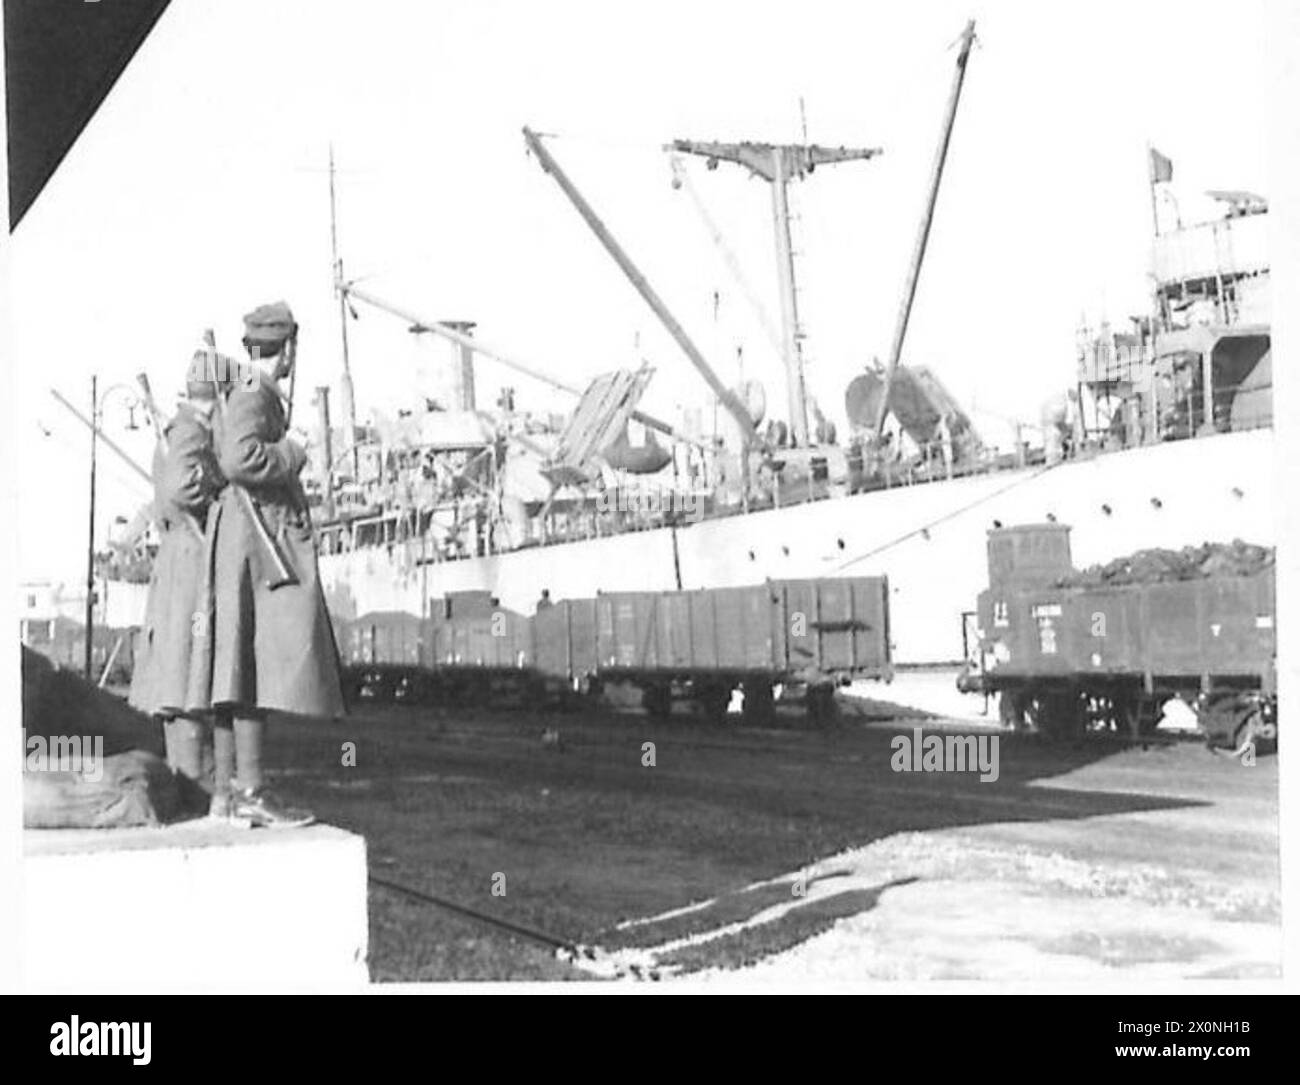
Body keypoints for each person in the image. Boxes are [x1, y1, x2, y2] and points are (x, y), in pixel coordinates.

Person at [206, 301, 345, 827]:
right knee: (255, 661)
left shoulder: (239, 390)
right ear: (286, 349)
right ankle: (252, 789)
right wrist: (292, 452)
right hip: (259, 538)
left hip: (242, 537)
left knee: (233, 663)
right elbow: (240, 459)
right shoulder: (255, 393)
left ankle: (227, 791)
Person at [128, 352, 230, 810]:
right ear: (220, 398)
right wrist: (220, 484)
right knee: (192, 675)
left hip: (177, 562)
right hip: (190, 563)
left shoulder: (176, 430)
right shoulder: (191, 431)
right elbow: (179, 489)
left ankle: (192, 787)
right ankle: (201, 791)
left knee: (183, 675)